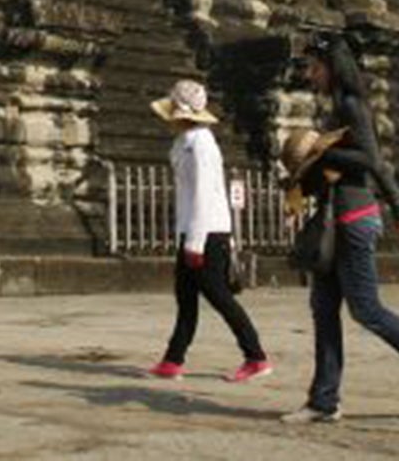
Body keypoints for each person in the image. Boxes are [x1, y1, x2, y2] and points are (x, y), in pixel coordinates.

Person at [281, 32, 399, 425]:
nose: (311, 75)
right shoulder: (337, 105)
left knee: (366, 310)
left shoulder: (351, 104)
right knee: (323, 309)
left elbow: (368, 159)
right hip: (335, 218)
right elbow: (342, 169)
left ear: (333, 66)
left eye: (315, 67)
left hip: (352, 220)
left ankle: (324, 398)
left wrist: (320, 148)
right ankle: (323, 400)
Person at [143, 79, 269, 383]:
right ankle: (173, 359)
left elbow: (203, 193)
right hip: (194, 228)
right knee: (185, 296)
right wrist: (183, 233)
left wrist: (196, 241)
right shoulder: (184, 141)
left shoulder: (201, 143)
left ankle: (256, 356)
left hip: (208, 231)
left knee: (219, 296)